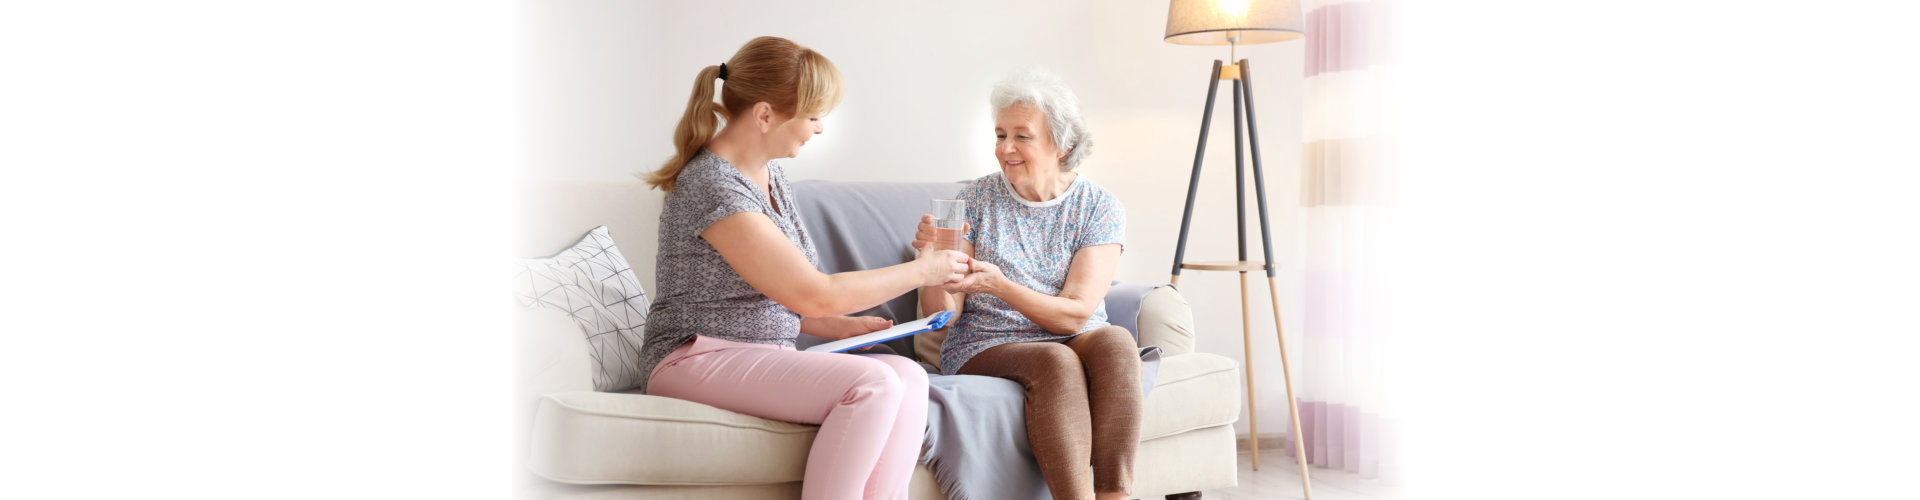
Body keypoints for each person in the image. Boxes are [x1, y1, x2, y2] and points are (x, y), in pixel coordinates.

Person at [636, 36, 971, 500]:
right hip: (693, 357)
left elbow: (769, 292)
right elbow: (812, 291)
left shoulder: (771, 175)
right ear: (766, 115)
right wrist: (923, 271)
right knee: (873, 383)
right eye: (813, 116)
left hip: (756, 350)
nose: (817, 129)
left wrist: (833, 326)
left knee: (909, 376)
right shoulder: (714, 186)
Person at [913, 67, 1140, 500]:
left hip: (1072, 331)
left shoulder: (1099, 207)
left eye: (1022, 136)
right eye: (1000, 135)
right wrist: (931, 262)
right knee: (1055, 362)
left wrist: (1002, 286)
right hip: (987, 343)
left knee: (1115, 343)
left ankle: (1115, 495)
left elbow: (1076, 311)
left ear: (1062, 144)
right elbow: (943, 317)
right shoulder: (972, 202)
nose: (1005, 148)